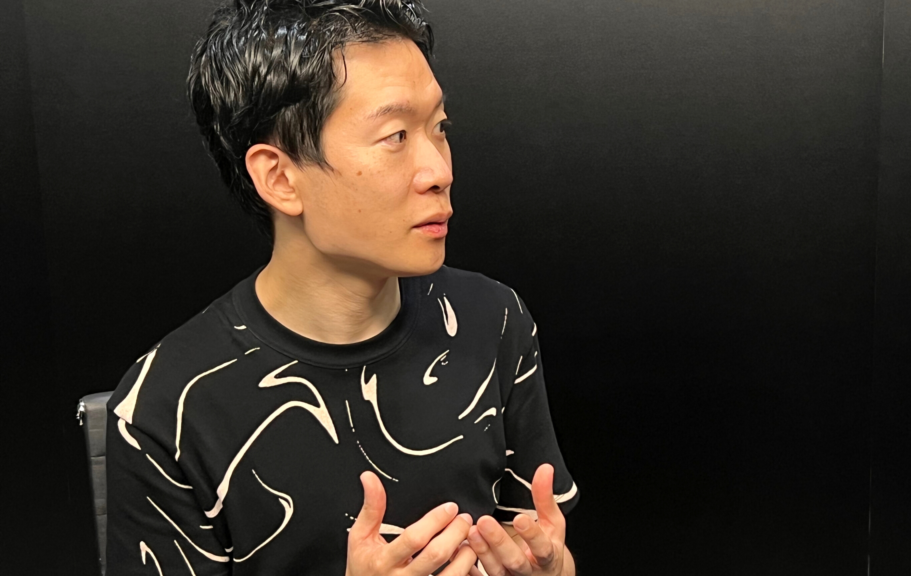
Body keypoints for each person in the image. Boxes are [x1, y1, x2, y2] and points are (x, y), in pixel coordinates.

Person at [104, 1, 580, 575]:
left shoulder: (494, 321)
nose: (439, 171)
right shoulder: (165, 409)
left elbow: (537, 541)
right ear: (280, 177)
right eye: (396, 135)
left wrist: (553, 569)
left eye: (440, 128)